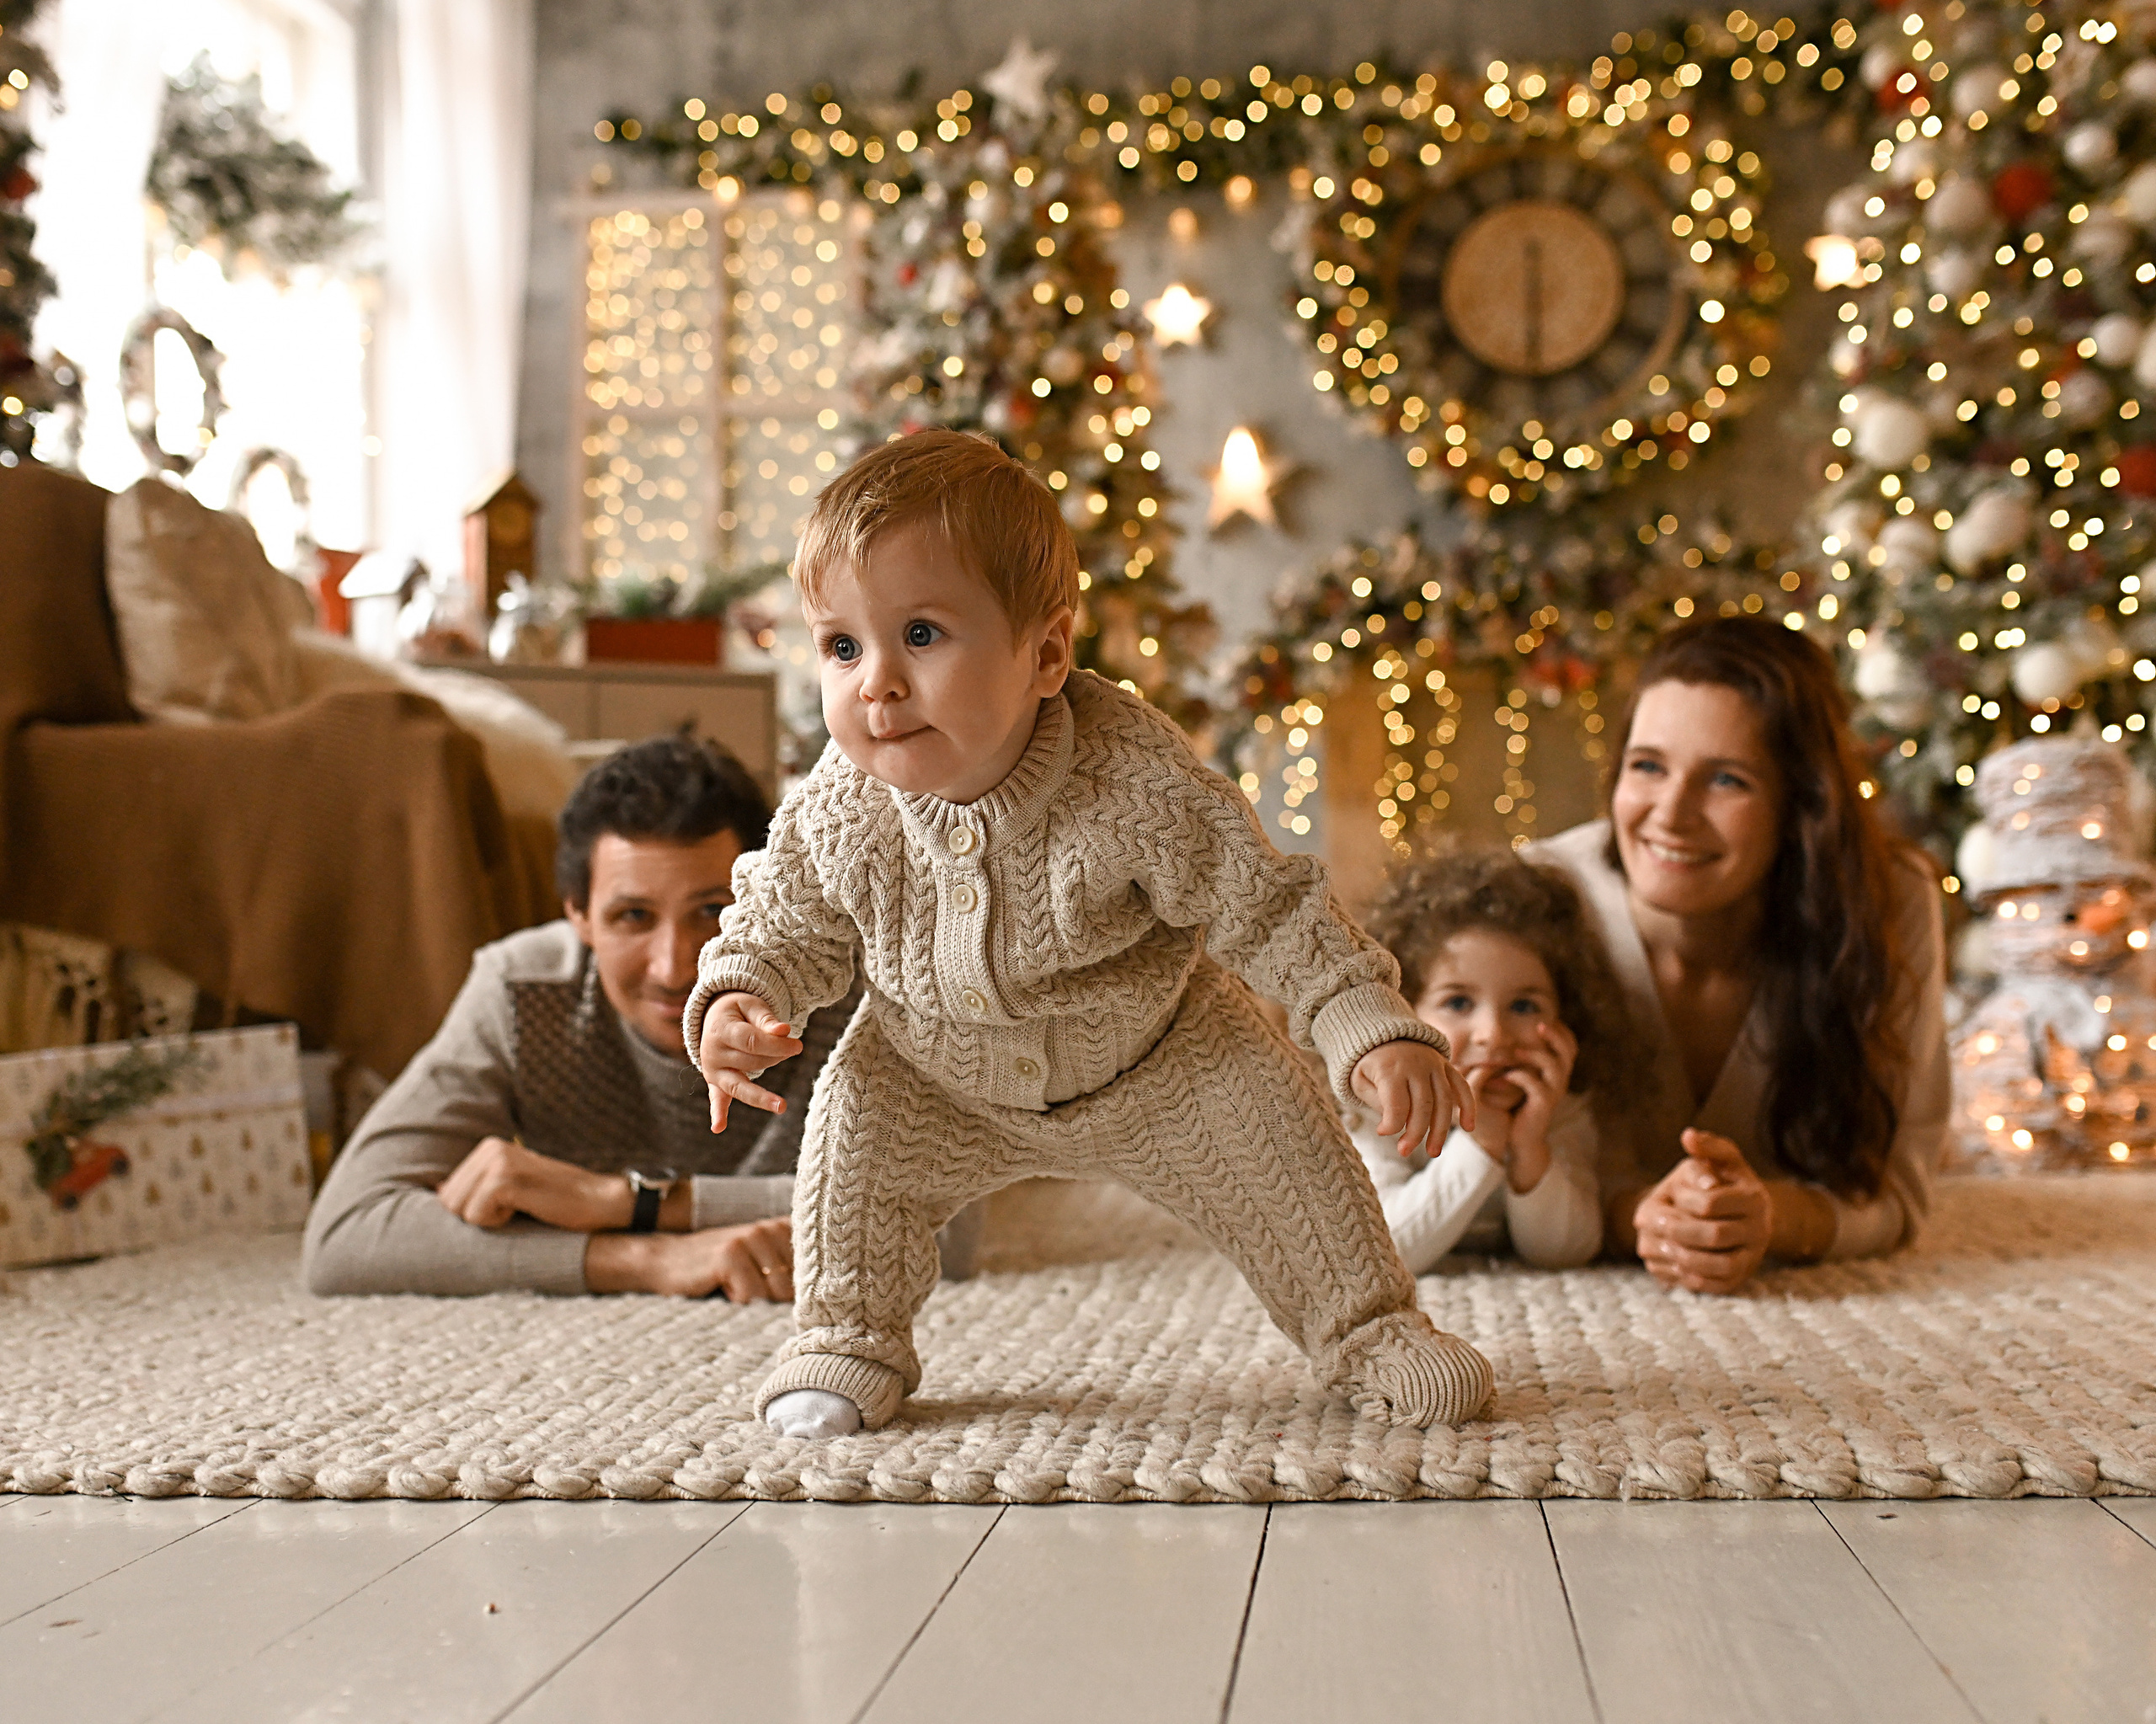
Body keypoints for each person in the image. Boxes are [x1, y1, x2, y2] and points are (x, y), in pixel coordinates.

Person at [688, 428, 1494, 1439]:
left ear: (1047, 654)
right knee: (854, 1134)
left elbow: (1267, 903)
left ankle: (1370, 1328)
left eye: (922, 636)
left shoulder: (1135, 781)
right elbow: (782, 912)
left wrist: (1365, 1021)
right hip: (934, 1067)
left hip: (1159, 1054)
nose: (876, 683)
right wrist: (741, 993)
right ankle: (846, 1334)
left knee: (1286, 1150)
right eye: (842, 646)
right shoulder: (841, 809)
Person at [302, 734, 870, 1301]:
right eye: (633, 915)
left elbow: (953, 1226)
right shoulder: (525, 987)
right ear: (578, 913)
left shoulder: (844, 981)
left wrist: (629, 1201)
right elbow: (346, 1236)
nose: (674, 967)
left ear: (767, 900)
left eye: (713, 910)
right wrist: (646, 1258)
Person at [1531, 616, 1949, 1295]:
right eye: (1648, 766)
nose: (1670, 812)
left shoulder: (1890, 899)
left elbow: (1898, 1194)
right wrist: (1637, 1217)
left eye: (1726, 780)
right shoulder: (1541, 896)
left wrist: (1772, 1218)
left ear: (1801, 808)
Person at [1352, 846, 1640, 1272]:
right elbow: (1387, 1250)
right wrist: (1481, 1140)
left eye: (1524, 1007)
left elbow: (1566, 1251)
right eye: (1458, 1002)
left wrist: (1529, 1146)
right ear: (1402, 1010)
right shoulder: (1379, 1107)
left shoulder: (1556, 1106)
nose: (1494, 1035)